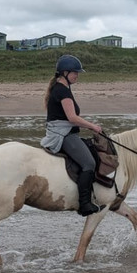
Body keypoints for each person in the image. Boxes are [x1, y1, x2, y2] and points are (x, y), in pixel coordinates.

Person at [41, 54, 105, 216]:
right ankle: (84, 204)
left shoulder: (59, 88)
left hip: (63, 132)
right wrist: (93, 127)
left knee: (90, 151)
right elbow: (72, 118)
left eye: (78, 72)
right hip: (63, 135)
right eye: (74, 72)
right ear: (64, 73)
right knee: (89, 163)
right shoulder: (62, 91)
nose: (77, 75)